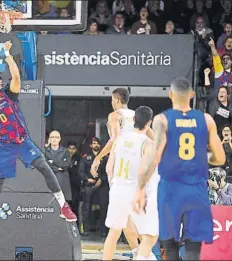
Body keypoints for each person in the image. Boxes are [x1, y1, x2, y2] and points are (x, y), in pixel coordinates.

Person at [0, 41, 77, 250]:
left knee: (44, 167)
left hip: (22, 140)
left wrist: (7, 54)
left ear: (0, 81)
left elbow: (16, 76)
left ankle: (63, 206)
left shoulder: (9, 92)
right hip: (3, 146)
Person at [133, 77, 226, 260]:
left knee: (171, 245)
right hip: (196, 189)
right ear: (192, 95)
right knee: (192, 246)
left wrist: (141, 188)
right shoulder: (206, 120)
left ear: (170, 95)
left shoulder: (162, 120)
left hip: (171, 189)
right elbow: (220, 158)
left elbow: (155, 157)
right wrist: (203, 158)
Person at [91, 88, 150, 253]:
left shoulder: (115, 115)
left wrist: (98, 158)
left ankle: (145, 251)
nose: (111, 102)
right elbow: (152, 137)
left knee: (121, 216)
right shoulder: (136, 114)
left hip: (120, 164)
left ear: (116, 99)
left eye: (112, 99)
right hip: (136, 162)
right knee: (127, 216)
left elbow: (115, 139)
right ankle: (141, 252)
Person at [103, 106, 159, 260]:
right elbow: (143, 171)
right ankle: (143, 256)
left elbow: (109, 168)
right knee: (148, 235)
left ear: (133, 119)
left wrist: (113, 184)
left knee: (113, 233)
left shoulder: (120, 138)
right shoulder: (147, 143)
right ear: (149, 123)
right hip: (134, 190)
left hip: (117, 188)